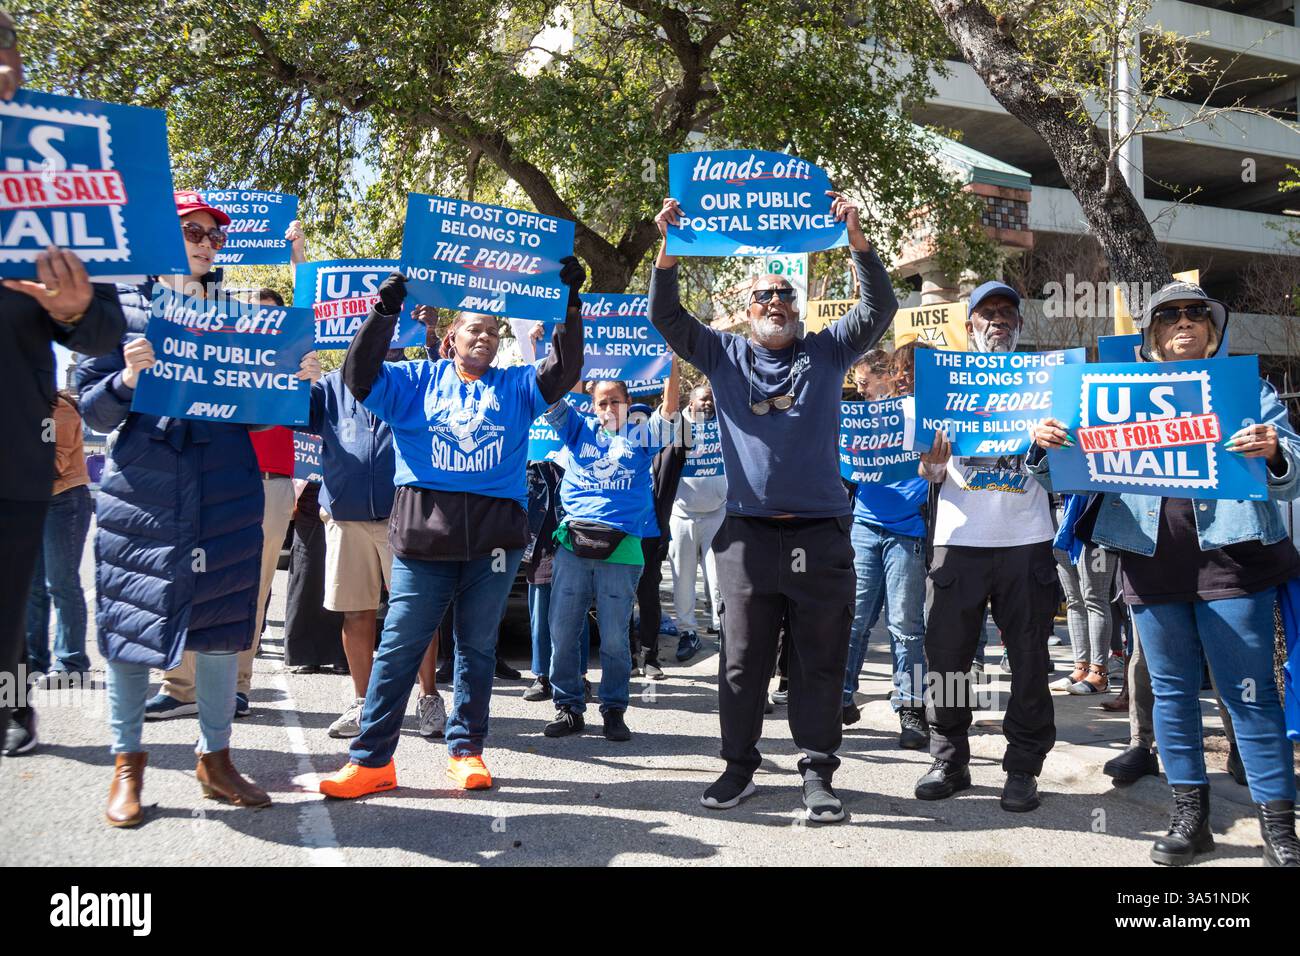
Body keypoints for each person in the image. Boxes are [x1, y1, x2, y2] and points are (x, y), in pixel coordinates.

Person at [1031, 279, 1300, 866]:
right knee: (1172, 695)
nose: (1186, 321)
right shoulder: (1115, 394)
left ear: (1212, 330)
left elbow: (1294, 470)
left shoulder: (1245, 390)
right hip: (1150, 565)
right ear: (1151, 335)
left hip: (1234, 562)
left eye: (1197, 313)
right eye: (1171, 315)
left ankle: (1280, 830)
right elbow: (1066, 476)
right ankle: (1190, 820)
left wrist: (1274, 450)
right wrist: (1045, 446)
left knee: (1250, 696)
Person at [650, 191, 897, 822]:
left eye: (785, 295)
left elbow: (882, 307)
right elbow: (667, 318)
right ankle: (739, 769)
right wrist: (670, 249)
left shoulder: (828, 350)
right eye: (763, 295)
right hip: (747, 538)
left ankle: (817, 771)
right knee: (740, 660)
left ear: (799, 307)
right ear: (745, 308)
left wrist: (856, 239)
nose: (775, 304)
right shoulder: (723, 353)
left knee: (819, 659)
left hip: (821, 534)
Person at [78, 191, 319, 825]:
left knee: (219, 625)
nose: (208, 242)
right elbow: (91, 407)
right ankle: (127, 764)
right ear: (163, 233)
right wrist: (126, 380)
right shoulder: (117, 306)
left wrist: (296, 381)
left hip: (225, 485)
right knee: (133, 623)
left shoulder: (241, 316)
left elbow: (274, 412)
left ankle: (215, 759)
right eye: (194, 230)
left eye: (216, 236)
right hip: (146, 489)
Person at [317, 257, 585, 798]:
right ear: (451, 339)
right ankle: (372, 761)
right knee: (399, 646)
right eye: (473, 329)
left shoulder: (516, 386)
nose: (483, 337)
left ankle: (466, 751)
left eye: (492, 331)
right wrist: (383, 313)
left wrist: (569, 306)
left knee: (477, 648)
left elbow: (563, 371)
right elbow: (359, 376)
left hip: (492, 543)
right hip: (424, 536)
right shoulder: (415, 380)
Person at [0, 9, 127, 758]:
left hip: (14, 457)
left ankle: (13, 712)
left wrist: (77, 310)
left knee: (11, 611)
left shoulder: (55, 187)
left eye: (4, 54)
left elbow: (106, 330)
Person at [913, 281, 1058, 814]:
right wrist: (931, 456)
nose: (997, 320)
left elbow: (1070, 467)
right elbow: (929, 470)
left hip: (1027, 541)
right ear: (969, 323)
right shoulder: (945, 380)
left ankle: (1022, 767)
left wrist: (1052, 441)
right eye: (986, 313)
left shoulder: (1046, 384)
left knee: (1028, 660)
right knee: (948, 659)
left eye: (1006, 313)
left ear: (1019, 324)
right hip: (959, 540)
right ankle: (949, 757)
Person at [149, 273, 306, 719]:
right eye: (259, 314)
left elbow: (305, 410)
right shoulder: (216, 356)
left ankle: (237, 687)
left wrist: (303, 376)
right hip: (212, 476)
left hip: (272, 485)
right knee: (191, 582)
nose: (267, 321)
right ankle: (180, 686)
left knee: (252, 590)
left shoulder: (294, 363)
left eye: (276, 315)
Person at [298, 356, 444, 740]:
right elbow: (288, 414)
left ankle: (428, 698)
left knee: (418, 613)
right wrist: (297, 382)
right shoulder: (329, 386)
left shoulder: (410, 381)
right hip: (346, 518)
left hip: (405, 517)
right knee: (355, 613)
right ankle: (363, 702)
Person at [543, 374, 679, 740]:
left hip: (622, 549)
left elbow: (669, 410)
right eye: (601, 402)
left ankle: (614, 709)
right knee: (562, 629)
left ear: (628, 402)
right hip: (574, 545)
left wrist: (670, 362)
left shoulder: (641, 436)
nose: (608, 409)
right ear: (592, 406)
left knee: (616, 637)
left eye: (615, 401)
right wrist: (560, 348)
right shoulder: (577, 430)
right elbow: (552, 394)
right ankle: (569, 706)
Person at [842, 342, 930, 747]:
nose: (860, 391)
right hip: (864, 525)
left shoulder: (926, 414)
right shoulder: (864, 417)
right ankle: (841, 696)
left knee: (905, 626)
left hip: (907, 530)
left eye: (864, 383)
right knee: (854, 619)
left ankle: (911, 708)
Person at [24, 391, 94, 689]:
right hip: (32, 502)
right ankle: (34, 662)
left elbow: (55, 461)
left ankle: (72, 663)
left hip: (63, 500)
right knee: (33, 587)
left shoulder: (59, 409)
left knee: (61, 583)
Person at [521, 458, 590, 700]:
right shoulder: (530, 457)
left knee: (575, 611)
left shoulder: (579, 442)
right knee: (540, 612)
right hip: (540, 540)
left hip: (574, 537)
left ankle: (579, 676)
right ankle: (542, 676)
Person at [667, 381, 726, 661]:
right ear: (690, 403)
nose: (708, 403)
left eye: (712, 399)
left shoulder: (724, 424)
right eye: (703, 399)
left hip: (718, 514)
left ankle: (723, 629)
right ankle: (688, 632)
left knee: (720, 578)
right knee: (683, 578)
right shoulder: (678, 426)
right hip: (682, 515)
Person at [1048, 495, 1118, 695]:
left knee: (1095, 598)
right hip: (1064, 516)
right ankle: (1081, 669)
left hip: (1098, 517)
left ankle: (1099, 673)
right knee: (1074, 601)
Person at [283, 478, 348, 672]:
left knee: (344, 571)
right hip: (311, 490)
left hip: (344, 486)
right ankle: (306, 653)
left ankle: (342, 653)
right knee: (307, 571)